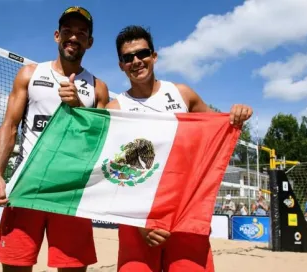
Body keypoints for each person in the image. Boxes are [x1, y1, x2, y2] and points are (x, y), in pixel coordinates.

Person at [106, 25, 253, 272]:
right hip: (138, 217)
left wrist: (236, 115)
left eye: (142, 53)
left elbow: (218, 131)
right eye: (127, 57)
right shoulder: (115, 109)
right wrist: (142, 223)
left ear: (154, 56)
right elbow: (113, 174)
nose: (136, 61)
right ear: (121, 65)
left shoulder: (182, 94)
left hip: (186, 210)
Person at [0, 6, 110, 272]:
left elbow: (98, 143)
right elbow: (9, 127)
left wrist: (78, 108)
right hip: (26, 185)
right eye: (68, 31)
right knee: (15, 266)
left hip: (70, 191)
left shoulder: (98, 87)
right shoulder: (30, 74)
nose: (73, 37)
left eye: (81, 33)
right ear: (57, 35)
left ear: (90, 42)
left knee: (73, 268)